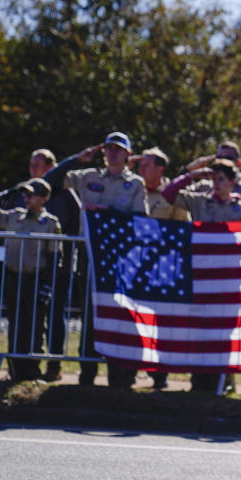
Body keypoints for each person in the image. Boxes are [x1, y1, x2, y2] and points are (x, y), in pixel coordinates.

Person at [64, 131, 149, 389]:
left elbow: (139, 221)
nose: (112, 153)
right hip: (90, 258)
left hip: (119, 261)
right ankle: (86, 376)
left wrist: (107, 212)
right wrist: (77, 158)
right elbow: (53, 180)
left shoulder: (134, 184)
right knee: (90, 316)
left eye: (118, 149)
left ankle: (120, 378)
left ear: (128, 155)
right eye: (109, 149)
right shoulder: (88, 176)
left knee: (119, 317)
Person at [162, 159, 241, 393]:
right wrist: (193, 175)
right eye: (213, 179)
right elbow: (168, 194)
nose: (216, 184)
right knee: (199, 329)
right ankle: (198, 383)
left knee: (224, 332)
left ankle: (221, 384)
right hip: (200, 276)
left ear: (232, 182)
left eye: (221, 179)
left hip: (228, 279)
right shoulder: (199, 201)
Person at [133, 146, 189, 390]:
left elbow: (179, 229)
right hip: (136, 263)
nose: (140, 169)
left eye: (146, 165)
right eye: (140, 165)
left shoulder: (174, 195)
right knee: (135, 318)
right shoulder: (133, 189)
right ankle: (132, 368)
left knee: (161, 322)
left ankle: (160, 374)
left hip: (164, 267)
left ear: (160, 169)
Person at [0, 179, 62, 381]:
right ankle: (15, 369)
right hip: (14, 276)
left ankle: (32, 370)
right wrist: (2, 196)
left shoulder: (50, 223)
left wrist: (47, 285)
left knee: (34, 325)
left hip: (36, 278)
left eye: (32, 195)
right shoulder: (14, 216)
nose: (27, 199)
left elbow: (55, 256)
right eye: (25, 195)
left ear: (44, 198)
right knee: (15, 323)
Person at [185, 141, 241, 207]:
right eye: (219, 157)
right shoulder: (204, 187)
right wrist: (189, 170)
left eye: (228, 158)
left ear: (238, 163)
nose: (223, 161)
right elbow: (176, 196)